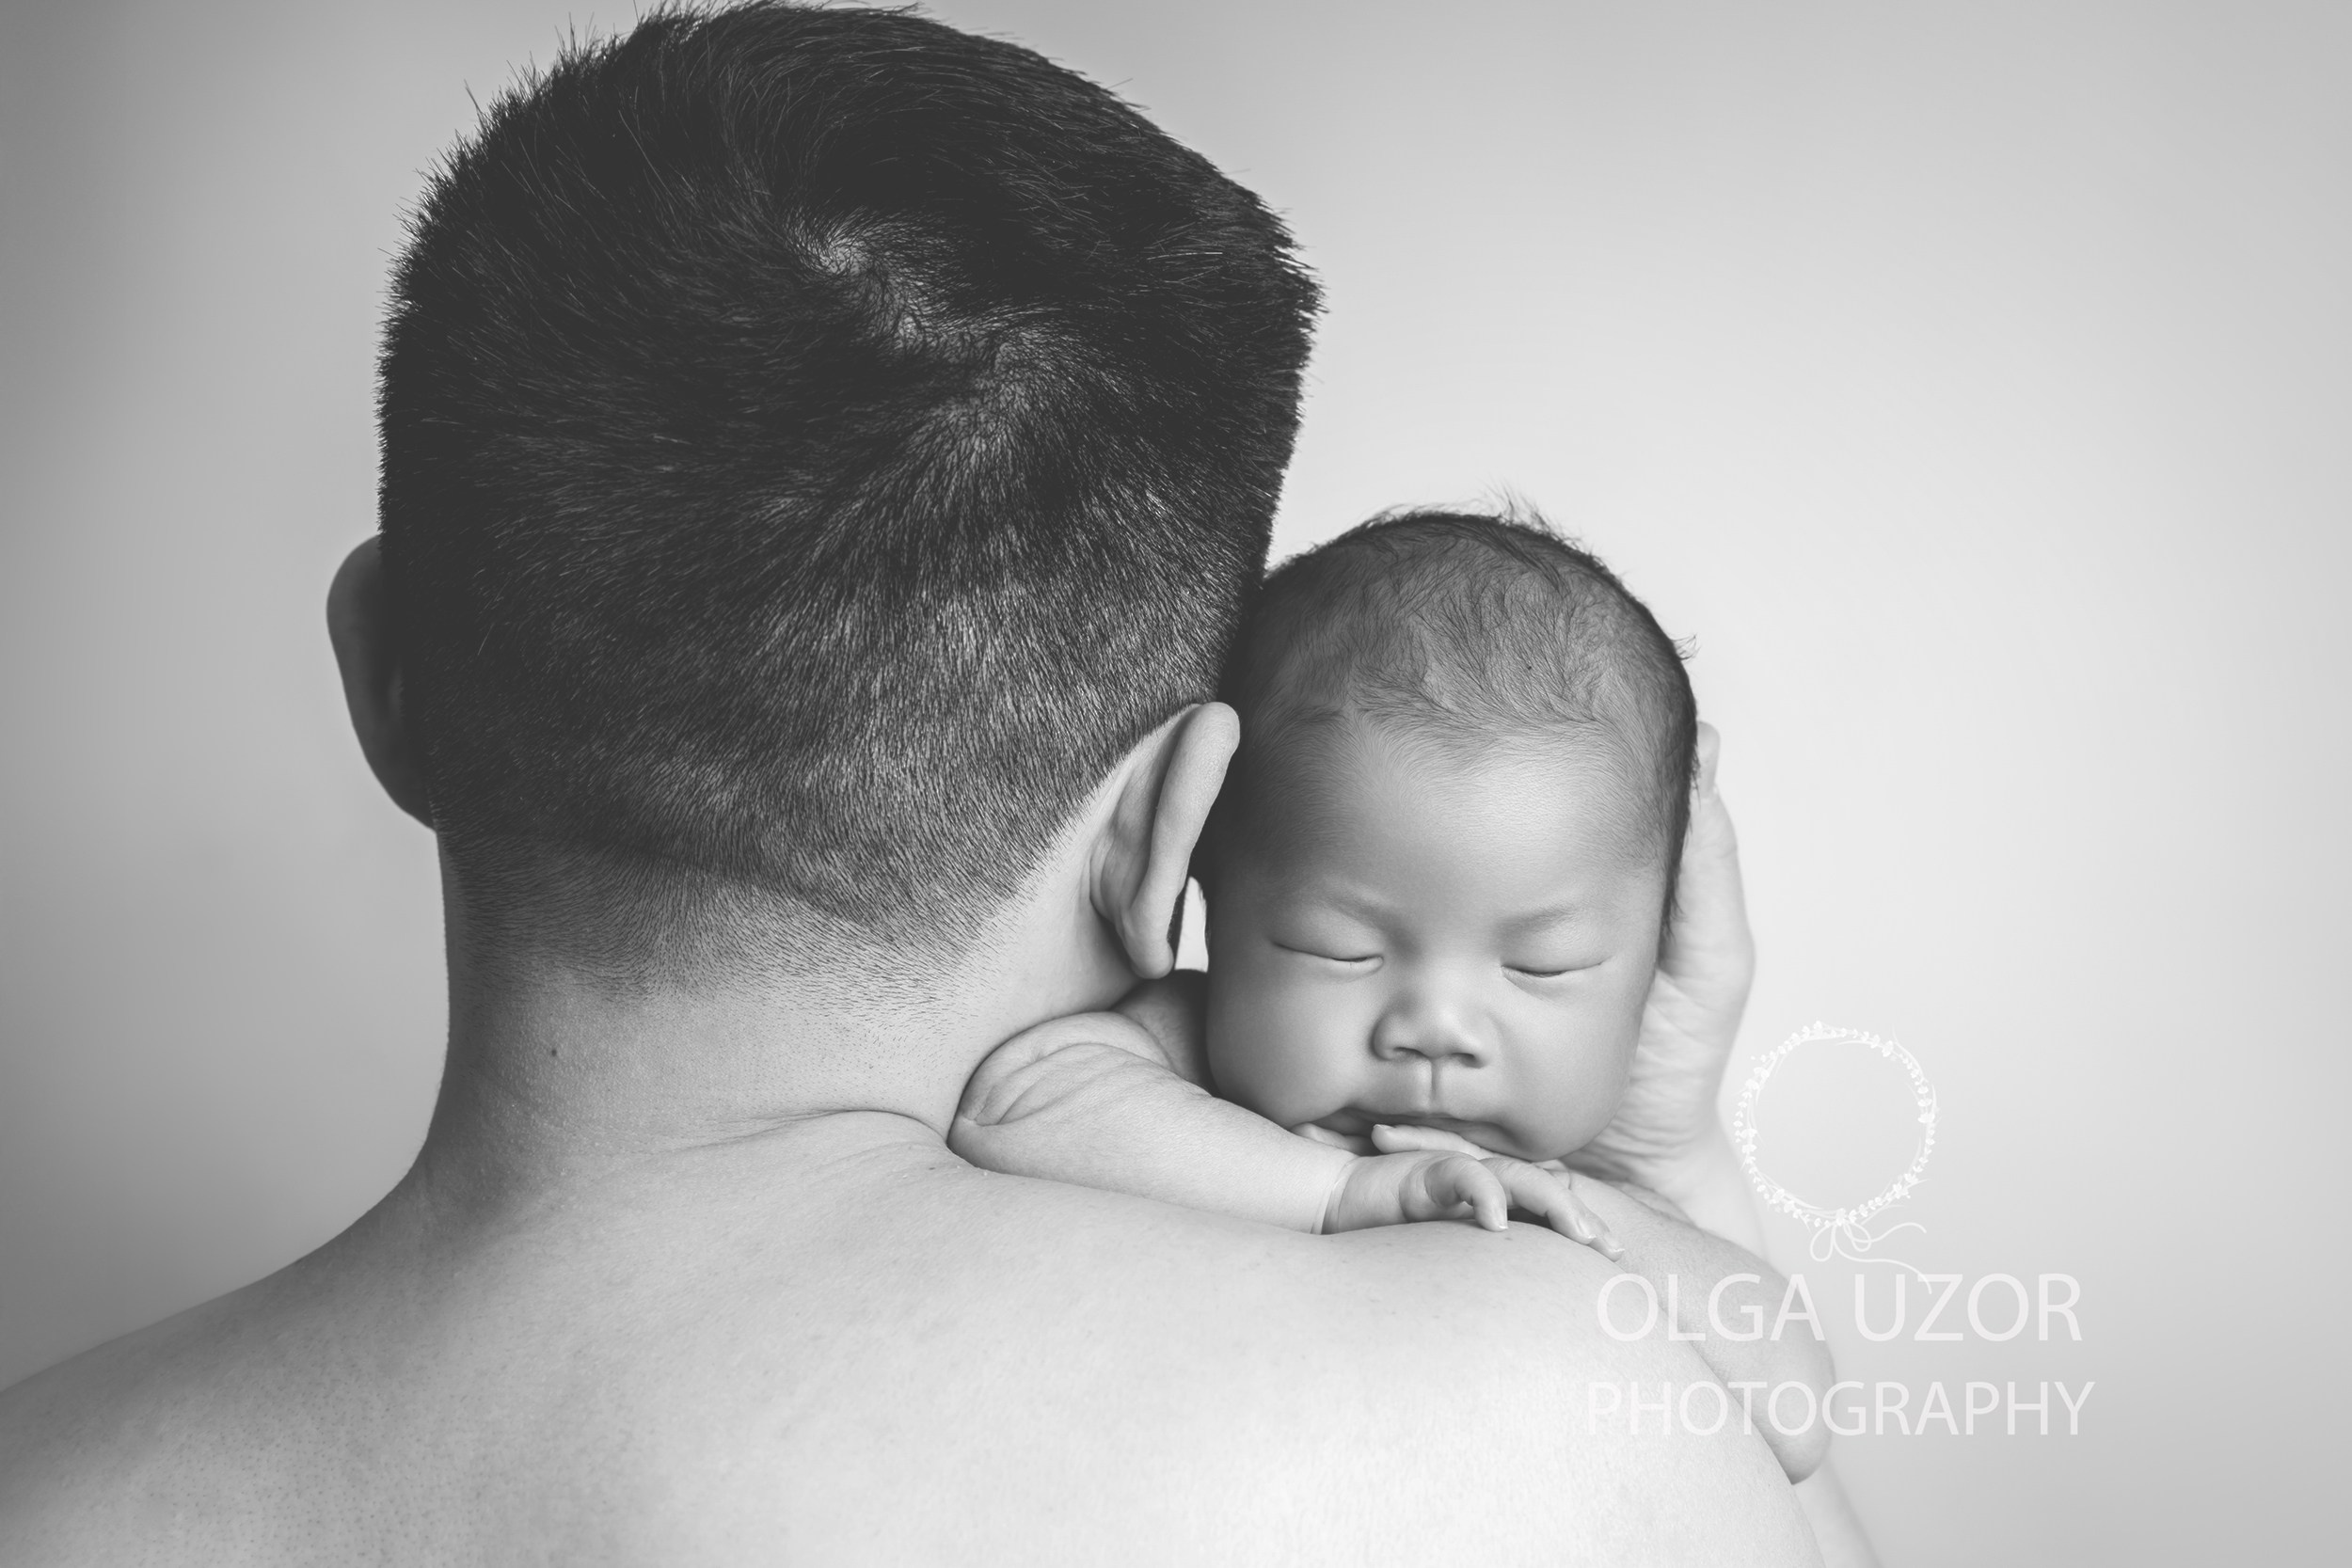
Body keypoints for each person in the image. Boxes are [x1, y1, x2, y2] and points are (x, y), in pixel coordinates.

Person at [0, 6, 1859, 1561]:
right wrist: (1654, 1163)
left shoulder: (49, 1487)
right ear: (1170, 823)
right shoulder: (1520, 1410)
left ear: (382, 674)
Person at [950, 510, 1839, 1485]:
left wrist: (1582, 1213)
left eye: (1543, 966)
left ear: (1653, 940)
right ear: (1203, 871)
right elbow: (1017, 1108)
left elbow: (1795, 1413)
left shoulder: (1582, 1193)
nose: (1435, 1029)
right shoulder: (1186, 1063)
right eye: (1338, 948)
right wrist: (1340, 1191)